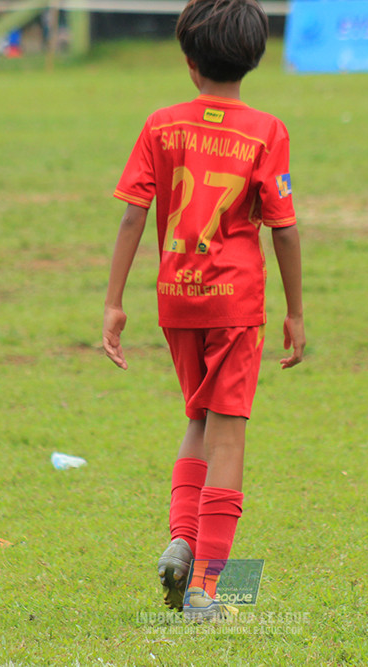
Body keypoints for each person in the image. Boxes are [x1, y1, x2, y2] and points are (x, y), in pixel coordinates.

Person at [102, 0, 305, 623]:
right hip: (236, 301)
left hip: (176, 298)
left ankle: (183, 540)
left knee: (198, 417)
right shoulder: (267, 131)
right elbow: (285, 228)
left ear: (190, 63)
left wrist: (113, 303)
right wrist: (296, 310)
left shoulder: (161, 124)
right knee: (230, 432)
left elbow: (134, 213)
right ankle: (206, 589)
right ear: (256, 56)